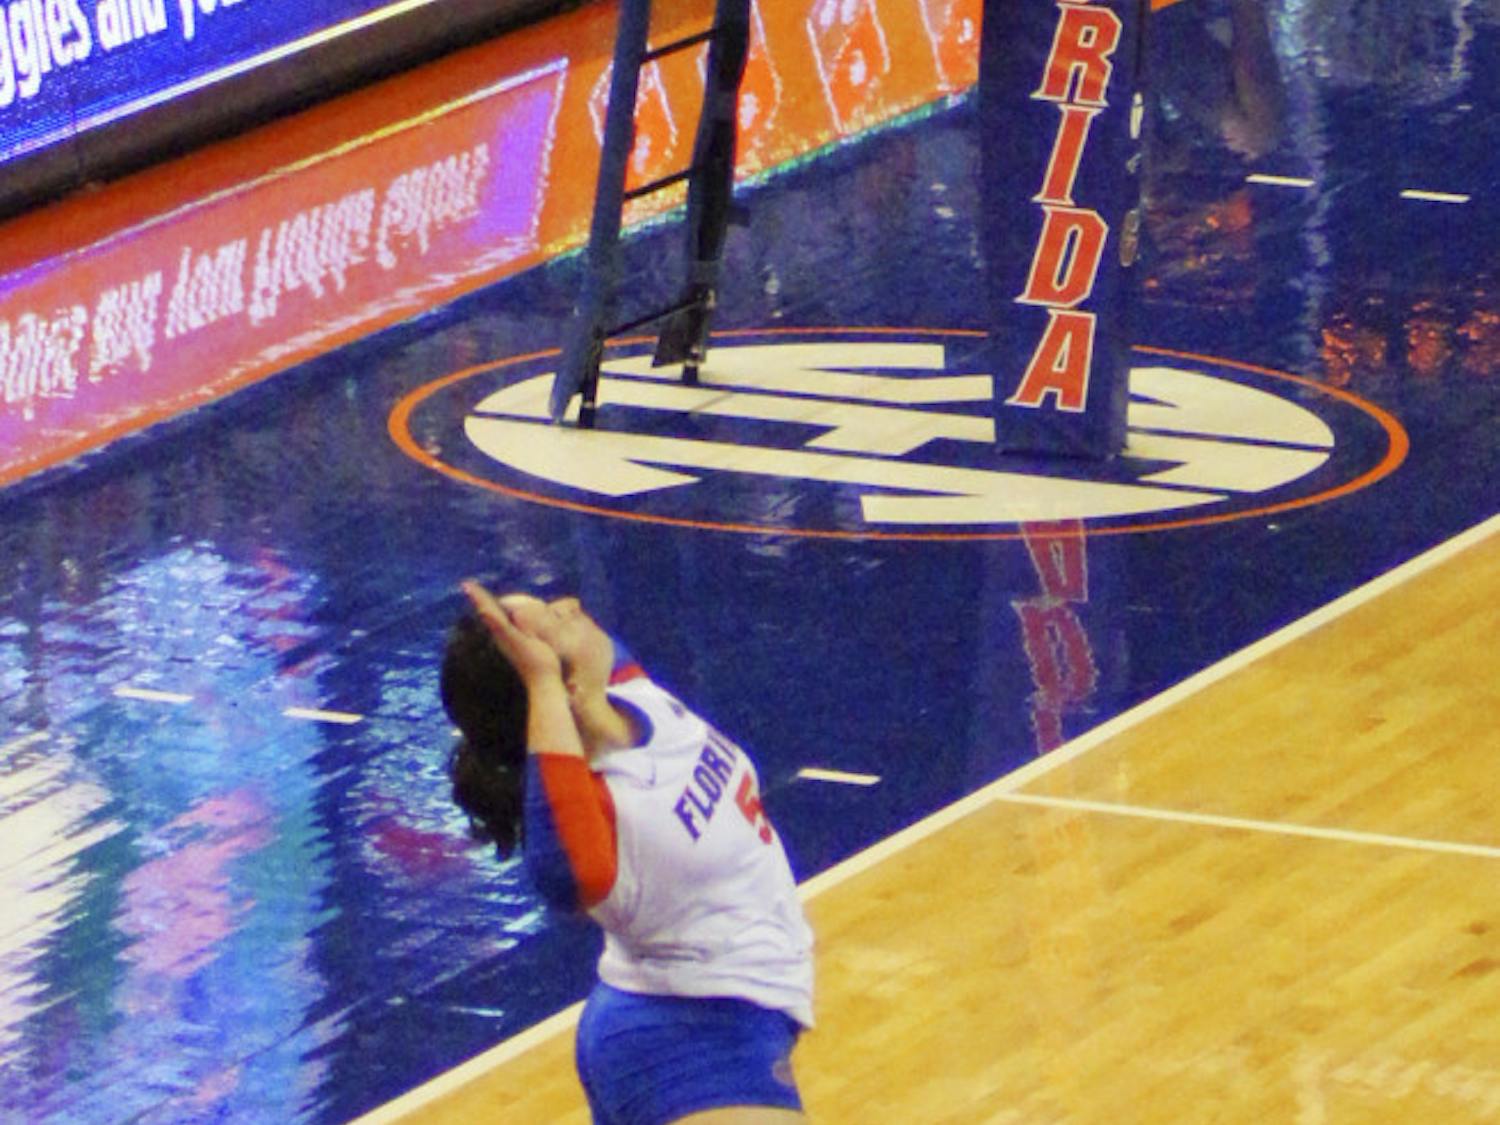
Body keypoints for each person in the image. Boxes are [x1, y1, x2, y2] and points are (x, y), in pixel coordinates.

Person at [440, 580, 814, 1125]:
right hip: (684, 1039)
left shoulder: (630, 692)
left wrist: (544, 672)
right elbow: (561, 875)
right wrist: (541, 681)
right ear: (560, 685)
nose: (569, 605)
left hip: (728, 1019)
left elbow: (588, 663)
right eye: (553, 621)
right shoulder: (599, 806)